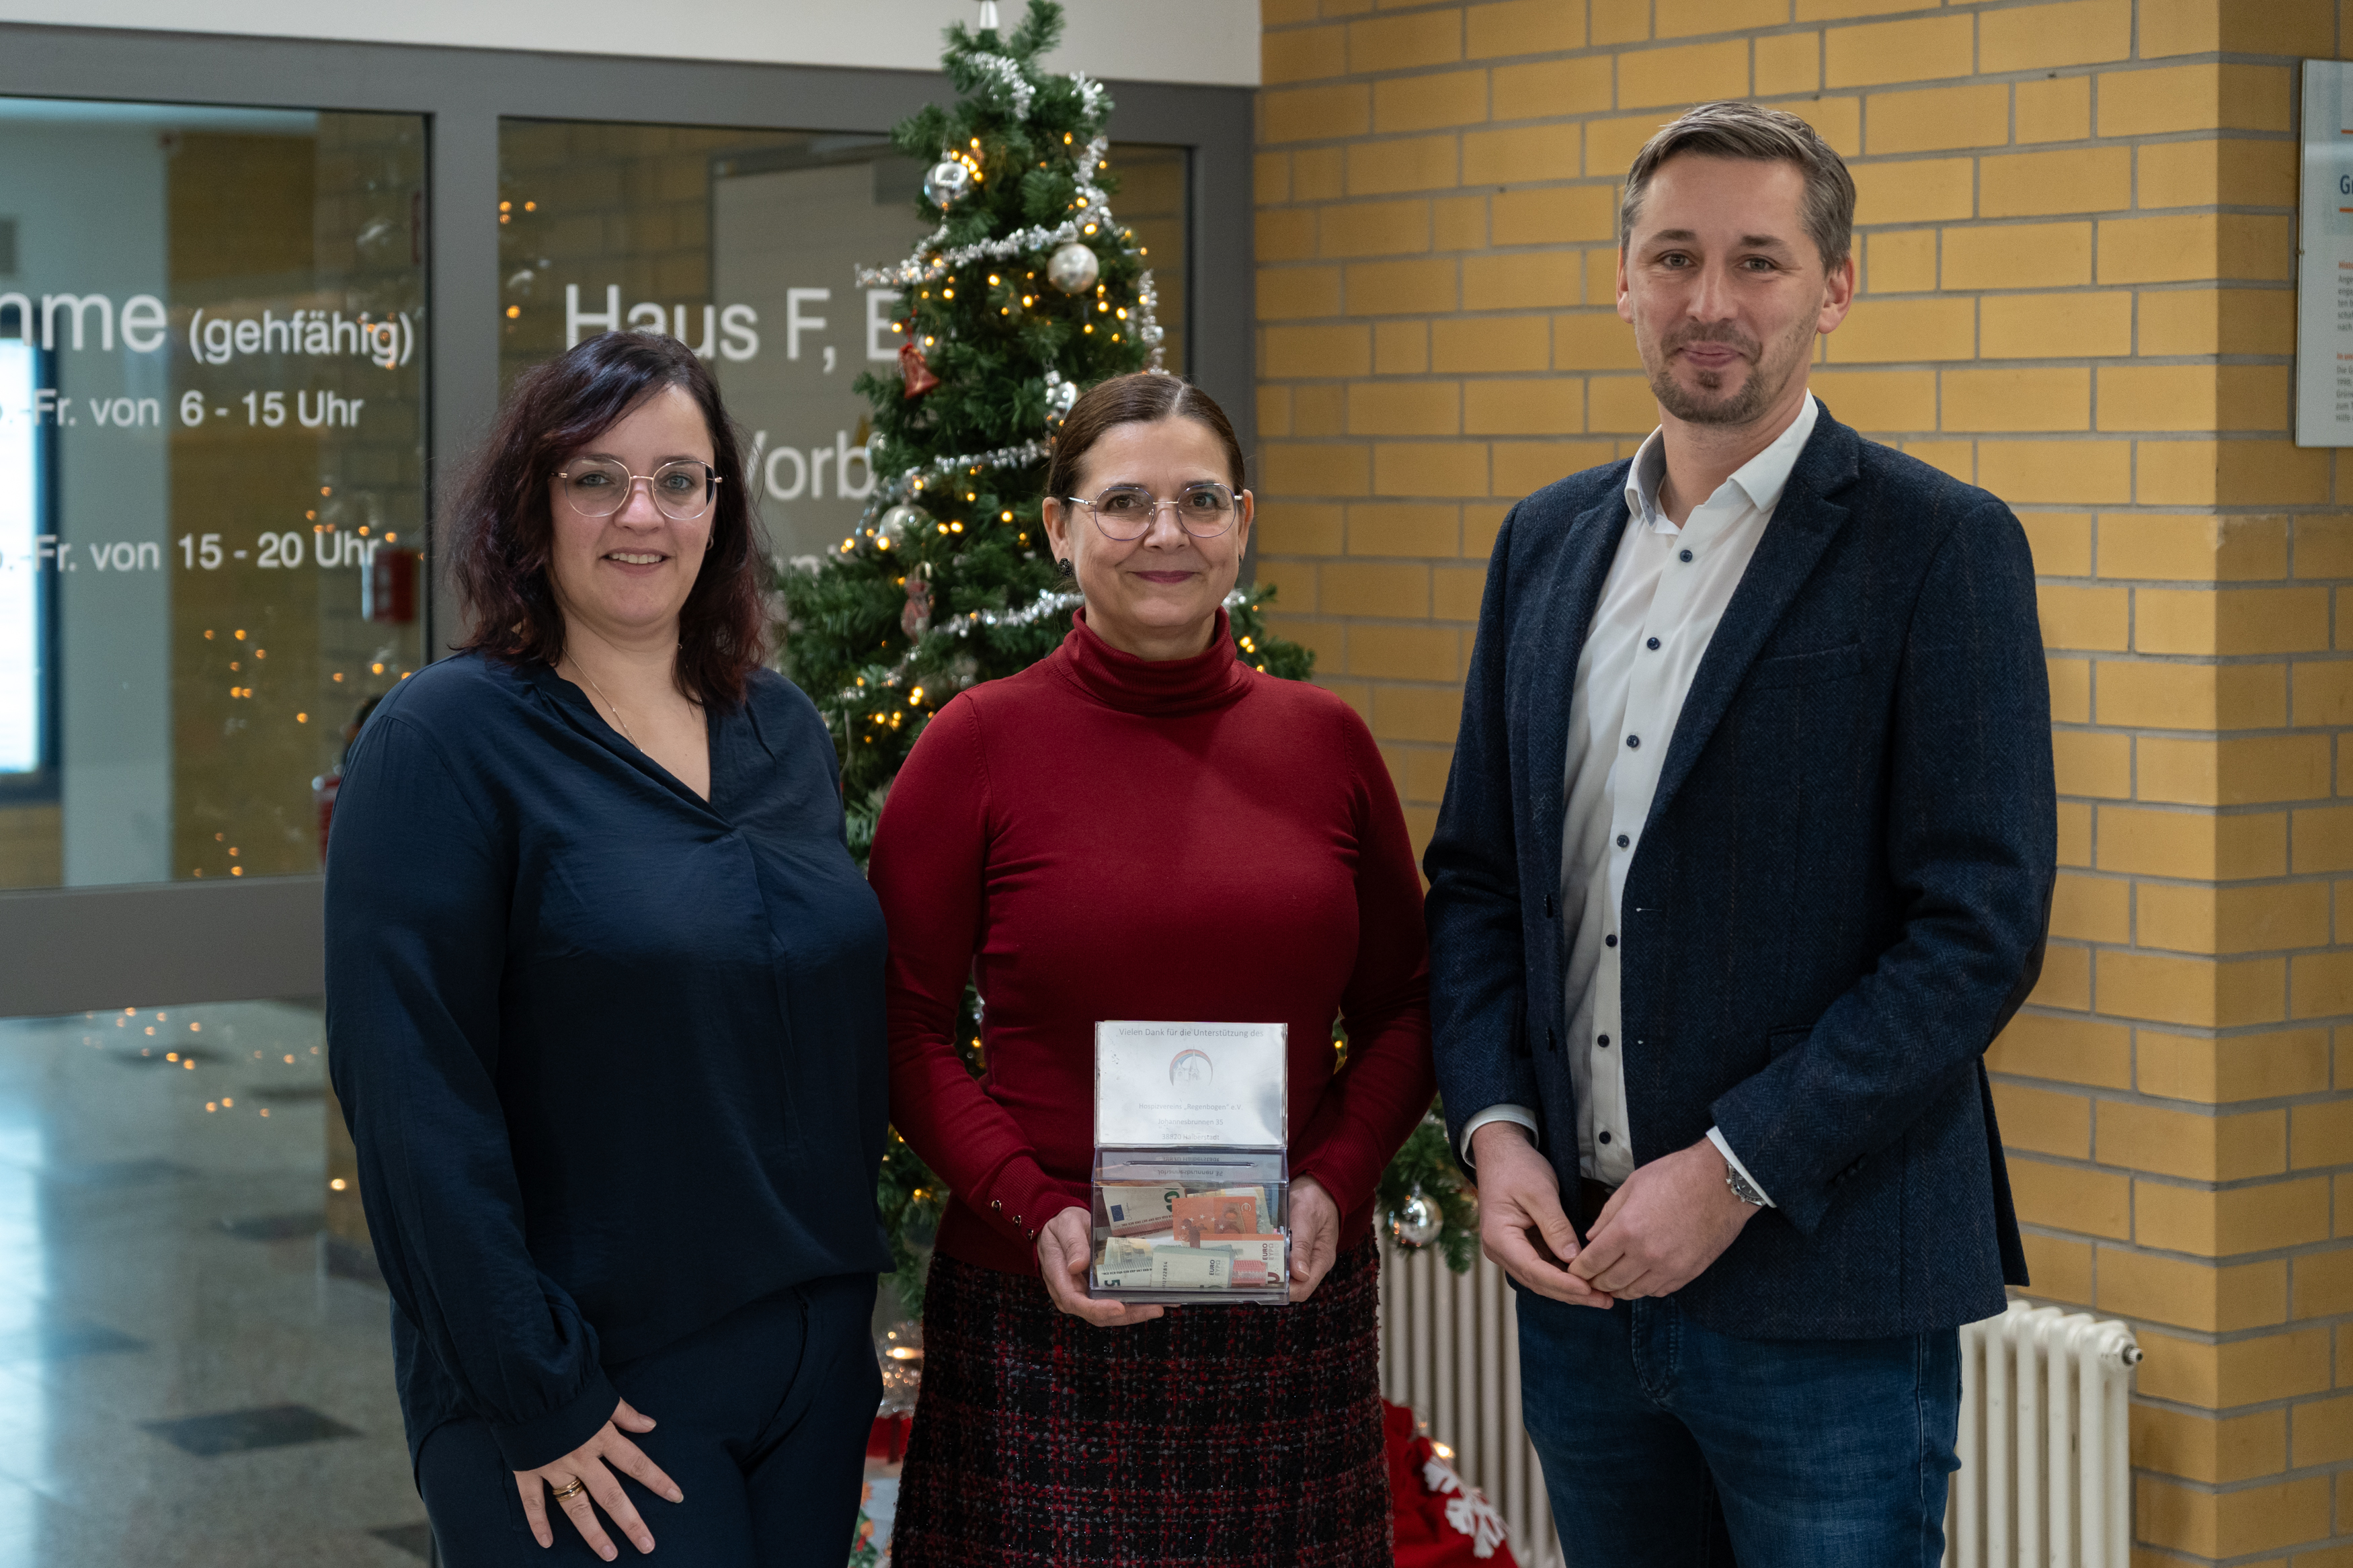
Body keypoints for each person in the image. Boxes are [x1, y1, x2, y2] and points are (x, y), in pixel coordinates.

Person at [1423, 101, 2054, 1565]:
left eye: (1759, 262)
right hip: (1580, 1289)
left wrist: (1730, 1169)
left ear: (1835, 288)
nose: (1710, 303)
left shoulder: (1939, 546)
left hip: (1825, 1294)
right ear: (1623, 279)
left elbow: (1976, 930)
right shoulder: (1544, 540)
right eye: (1673, 257)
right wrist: (1495, 1129)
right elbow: (1476, 880)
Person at [325, 332, 888, 1567]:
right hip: (588, 1390)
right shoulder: (443, 740)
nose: (643, 514)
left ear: (719, 509)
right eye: (596, 478)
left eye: (679, 480)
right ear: (532, 505)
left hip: (806, 1367)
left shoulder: (780, 728)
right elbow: (413, 1094)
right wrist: (535, 1388)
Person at [869, 372, 1435, 1567]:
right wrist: (1034, 1209)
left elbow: (1407, 1005)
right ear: (1060, 527)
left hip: (1287, 1298)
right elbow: (901, 1025)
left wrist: (1336, 1178)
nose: (1165, 533)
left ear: (1243, 521)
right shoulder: (975, 746)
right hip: (1044, 1305)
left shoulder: (1325, 743)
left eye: (1198, 500)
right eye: (1124, 501)